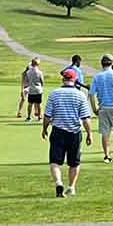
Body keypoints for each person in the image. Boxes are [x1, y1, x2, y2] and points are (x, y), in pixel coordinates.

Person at [42, 68, 93, 198]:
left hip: (58, 131)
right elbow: (85, 118)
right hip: (74, 133)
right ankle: (71, 187)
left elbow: (47, 115)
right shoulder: (80, 95)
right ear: (74, 79)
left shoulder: (54, 93)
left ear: (63, 79)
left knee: (55, 162)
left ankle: (59, 182)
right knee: (74, 162)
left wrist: (44, 129)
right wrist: (89, 133)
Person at [22, 57, 45, 122]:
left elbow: (26, 81)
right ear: (38, 64)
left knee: (30, 104)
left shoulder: (28, 72)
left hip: (31, 89)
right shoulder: (40, 72)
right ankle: (40, 117)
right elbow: (42, 81)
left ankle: (29, 117)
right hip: (38, 89)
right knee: (39, 104)